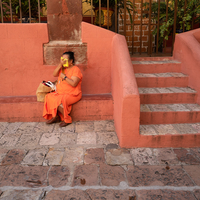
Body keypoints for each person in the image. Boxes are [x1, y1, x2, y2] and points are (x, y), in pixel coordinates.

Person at [43, 51, 83, 127]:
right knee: (49, 97)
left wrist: (64, 77)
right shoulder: (62, 68)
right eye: (62, 59)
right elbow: (54, 74)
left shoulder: (75, 69)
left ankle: (67, 119)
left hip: (73, 94)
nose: (63, 61)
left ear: (71, 61)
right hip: (61, 93)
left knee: (60, 100)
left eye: (65, 60)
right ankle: (55, 117)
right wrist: (60, 65)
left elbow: (74, 84)